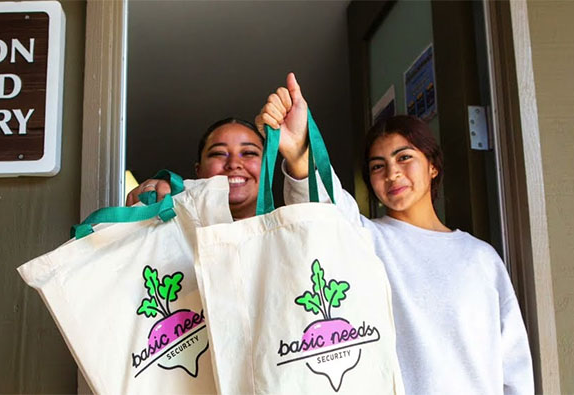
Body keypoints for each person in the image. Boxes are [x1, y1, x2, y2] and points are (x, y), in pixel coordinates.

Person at [257, 72, 534, 394]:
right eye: (377, 166)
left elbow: (513, 364)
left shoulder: (481, 257)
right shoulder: (367, 240)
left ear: (433, 166)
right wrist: (300, 151)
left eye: (405, 157)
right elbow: (324, 213)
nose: (392, 173)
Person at [126, 117, 264, 220]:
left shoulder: (284, 232)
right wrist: (146, 212)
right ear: (198, 170)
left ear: (267, 169)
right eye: (219, 153)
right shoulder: (172, 229)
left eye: (249, 153)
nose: (234, 163)